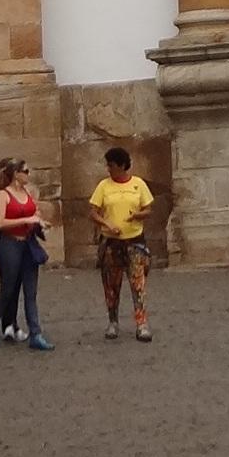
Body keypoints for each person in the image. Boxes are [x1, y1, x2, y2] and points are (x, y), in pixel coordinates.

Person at [0, 159, 54, 351]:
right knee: (8, 289)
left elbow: (33, 213)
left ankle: (36, 333)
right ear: (15, 174)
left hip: (28, 244)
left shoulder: (27, 193)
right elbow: (0, 223)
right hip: (8, 244)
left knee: (30, 291)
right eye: (26, 171)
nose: (28, 174)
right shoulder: (1, 195)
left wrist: (39, 223)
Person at [88, 146, 154, 343]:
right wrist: (107, 223)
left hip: (135, 241)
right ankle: (113, 321)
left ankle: (141, 323)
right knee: (111, 284)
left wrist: (137, 216)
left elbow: (148, 209)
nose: (108, 169)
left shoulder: (138, 184)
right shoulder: (103, 186)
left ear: (122, 165)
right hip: (111, 242)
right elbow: (93, 212)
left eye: (111, 165)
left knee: (138, 283)